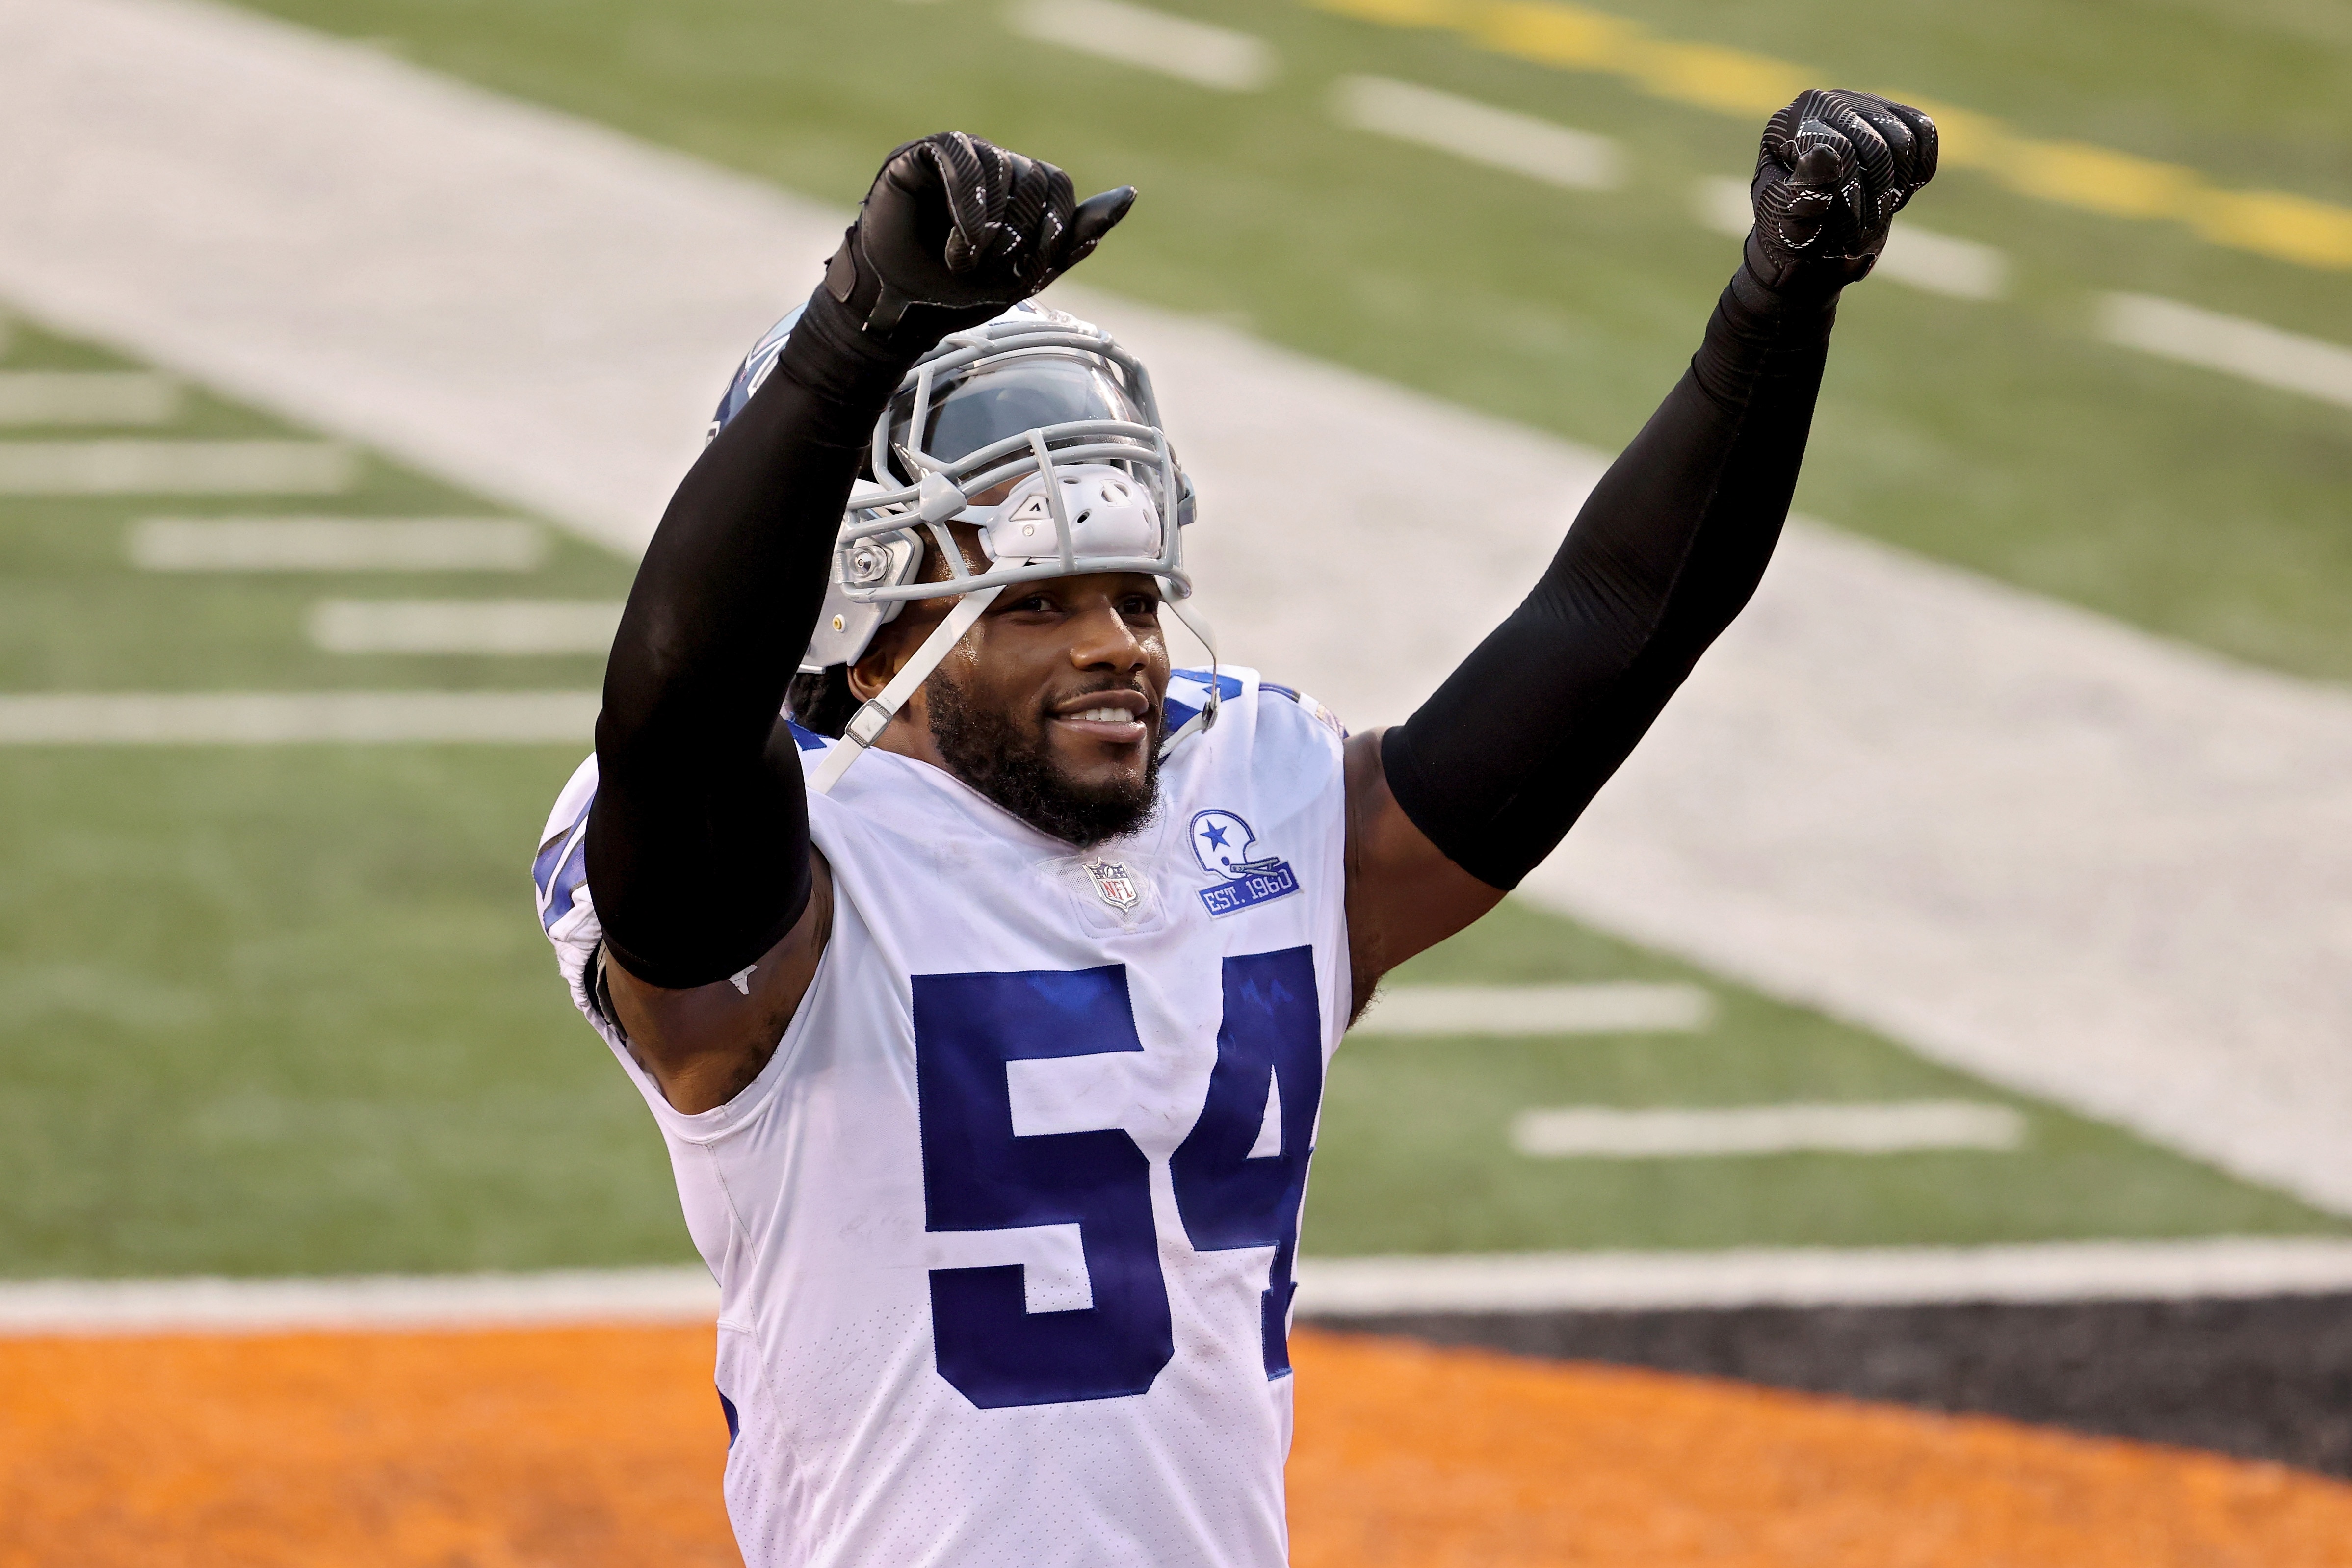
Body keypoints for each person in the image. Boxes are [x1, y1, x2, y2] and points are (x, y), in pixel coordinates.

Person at [534, 97, 1935, 1567]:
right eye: (1033, 604)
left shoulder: (1259, 798)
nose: (1120, 648)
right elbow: (681, 716)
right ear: (862, 631)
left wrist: (1774, 308)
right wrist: (852, 337)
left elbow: (1613, 628)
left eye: (1134, 594)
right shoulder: (795, 870)